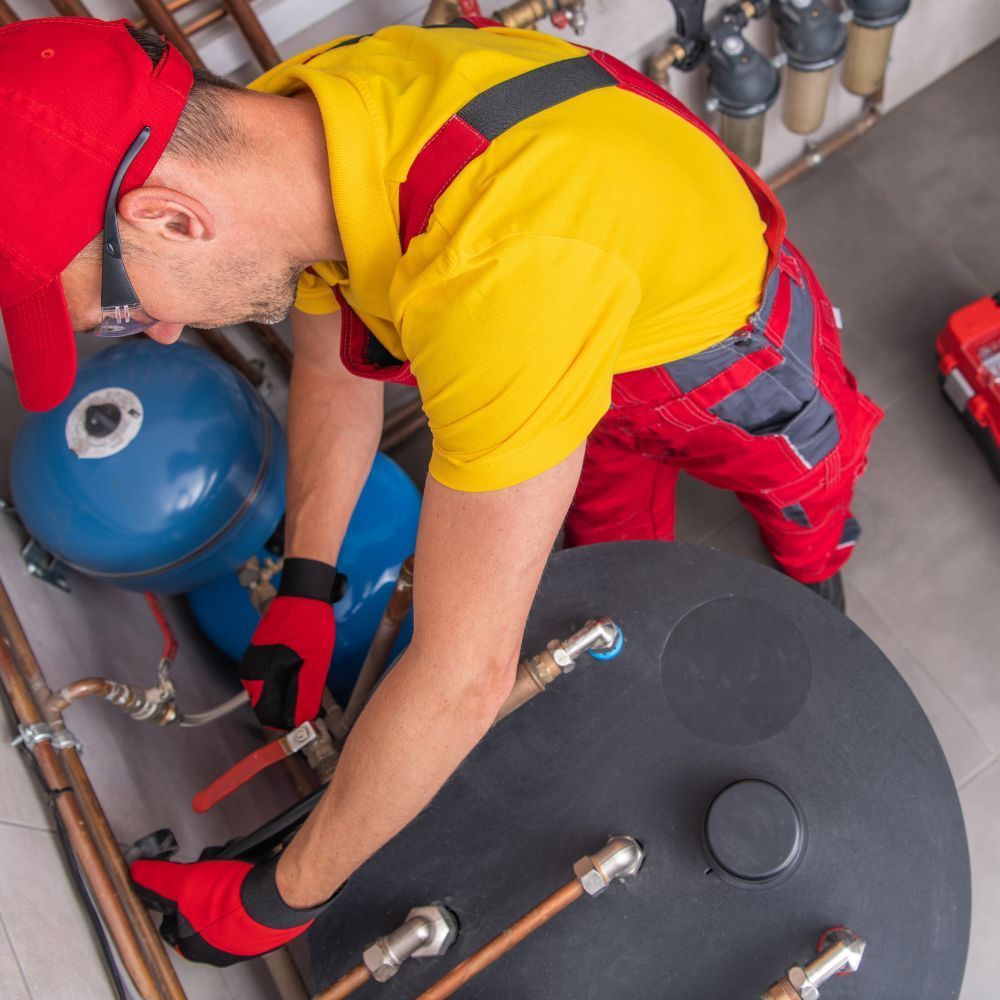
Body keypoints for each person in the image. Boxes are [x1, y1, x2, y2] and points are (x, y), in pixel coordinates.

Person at [0, 15, 882, 966]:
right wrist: (307, 578)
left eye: (124, 305)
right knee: (617, 541)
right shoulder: (297, 123)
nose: (162, 335)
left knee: (807, 499)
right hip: (591, 328)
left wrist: (283, 896)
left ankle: (818, 579)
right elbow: (340, 353)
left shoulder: (501, 275)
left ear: (174, 217)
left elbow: (464, 676)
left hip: (725, 360)